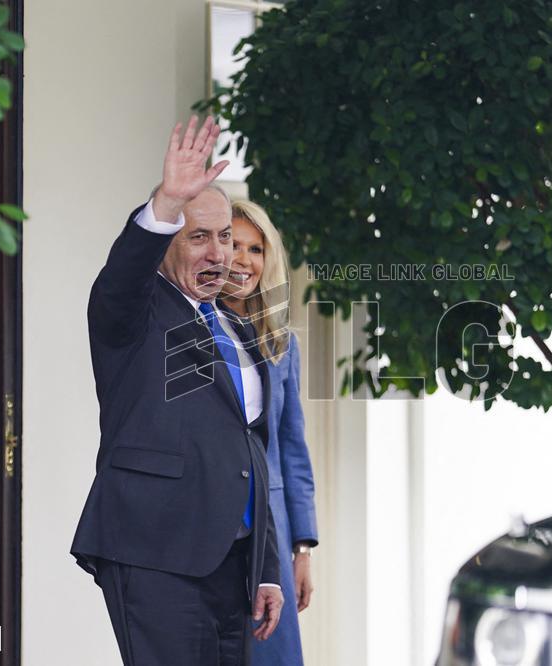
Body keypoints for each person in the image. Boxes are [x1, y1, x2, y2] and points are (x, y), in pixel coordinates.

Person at [71, 115, 284, 665]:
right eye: (198, 237)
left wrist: (266, 568)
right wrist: (167, 203)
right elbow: (123, 275)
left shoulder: (237, 328)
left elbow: (251, 449)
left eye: (225, 238)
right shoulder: (133, 314)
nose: (220, 255)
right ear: (168, 243)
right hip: (154, 550)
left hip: (232, 562)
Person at [220, 200, 319, 666]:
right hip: (211, 527)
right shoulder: (188, 331)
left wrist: (302, 547)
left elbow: (292, 450)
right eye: (232, 245)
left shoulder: (283, 345)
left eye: (255, 249)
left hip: (271, 532)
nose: (243, 260)